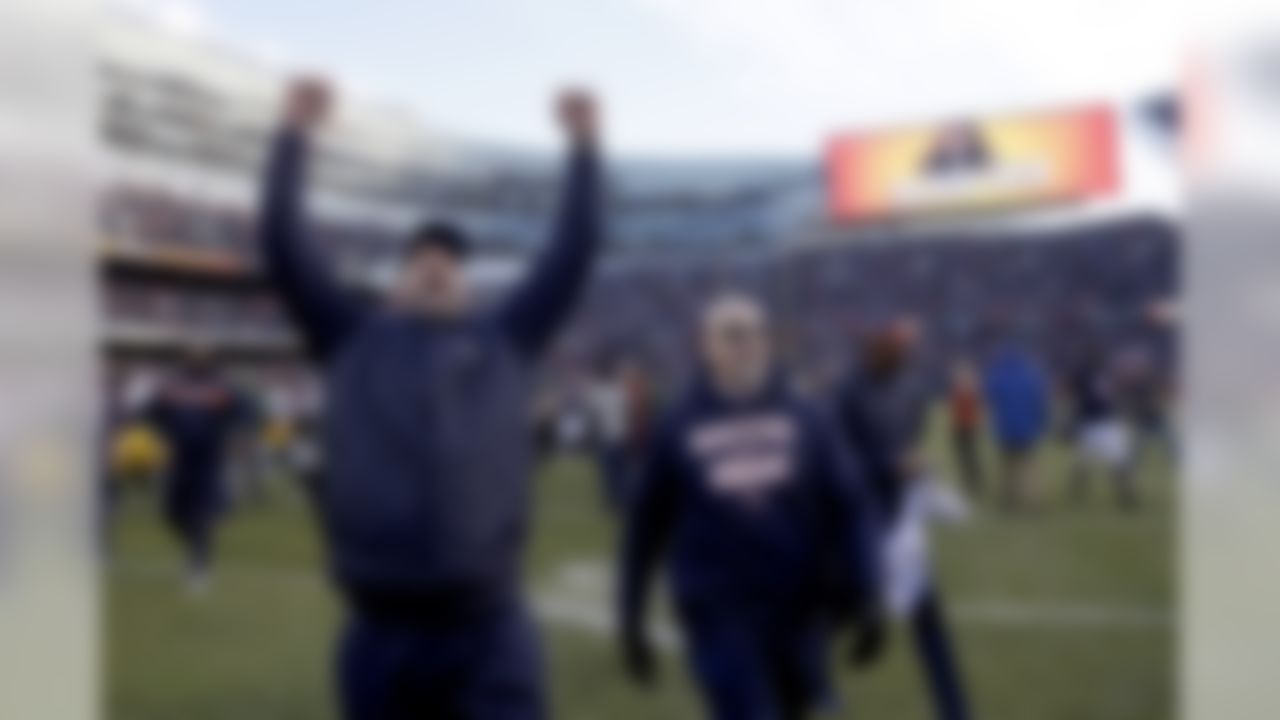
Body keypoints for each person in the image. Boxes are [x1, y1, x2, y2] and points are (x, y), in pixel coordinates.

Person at [257, 77, 603, 720]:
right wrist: (293, 133)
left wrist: (583, 147)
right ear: (395, 282)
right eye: (420, 255)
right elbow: (283, 242)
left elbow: (573, 250)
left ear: (469, 284)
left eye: (450, 256)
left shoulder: (506, 338)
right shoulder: (351, 336)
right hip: (378, 632)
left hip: (488, 630)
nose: (435, 263)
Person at [618, 294, 885, 720]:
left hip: (798, 614)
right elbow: (645, 526)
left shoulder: (809, 417)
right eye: (733, 334)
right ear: (706, 345)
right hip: (720, 613)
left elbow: (851, 505)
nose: (748, 343)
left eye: (758, 333)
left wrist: (870, 589)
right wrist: (630, 615)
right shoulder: (677, 424)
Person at [835, 320, 974, 720]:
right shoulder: (847, 394)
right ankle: (809, 686)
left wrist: (915, 473)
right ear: (876, 345)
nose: (905, 352)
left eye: (907, 346)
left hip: (900, 525)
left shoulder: (909, 391)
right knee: (835, 618)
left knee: (929, 623)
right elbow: (838, 463)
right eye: (897, 345)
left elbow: (909, 442)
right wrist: (888, 465)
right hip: (861, 527)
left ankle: (956, 710)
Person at [142, 346, 250, 595]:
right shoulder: (172, 386)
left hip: (208, 460)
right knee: (171, 514)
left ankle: (199, 567)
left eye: (203, 356)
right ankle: (194, 547)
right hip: (177, 458)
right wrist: (156, 438)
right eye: (193, 356)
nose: (198, 360)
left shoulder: (222, 387)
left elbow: (243, 414)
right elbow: (150, 413)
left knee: (201, 515)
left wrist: (239, 436)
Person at [1064, 347, 1138, 510]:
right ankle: (1126, 496)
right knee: (1100, 462)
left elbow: (1073, 397)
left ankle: (1125, 496)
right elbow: (1076, 398)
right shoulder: (1100, 374)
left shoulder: (1093, 374)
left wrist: (1071, 422)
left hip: (1097, 424)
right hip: (1100, 424)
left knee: (1091, 462)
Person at [982, 342, 1050, 512]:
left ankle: (1009, 500)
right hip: (1028, 429)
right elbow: (1040, 403)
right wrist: (1041, 424)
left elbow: (989, 397)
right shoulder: (1032, 375)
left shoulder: (997, 375)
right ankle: (1033, 500)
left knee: (1008, 466)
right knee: (1029, 465)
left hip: (1006, 429)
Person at [947, 360, 985, 498]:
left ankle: (974, 480)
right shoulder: (959, 391)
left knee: (969, 456)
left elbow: (975, 410)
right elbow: (954, 410)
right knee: (964, 456)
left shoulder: (970, 392)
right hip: (960, 427)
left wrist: (976, 423)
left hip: (967, 427)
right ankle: (970, 480)